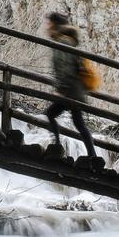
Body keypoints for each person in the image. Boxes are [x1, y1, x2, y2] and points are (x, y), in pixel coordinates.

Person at [44, 12, 97, 160]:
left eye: (48, 24)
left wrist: (61, 90)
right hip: (76, 90)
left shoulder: (62, 42)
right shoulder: (68, 40)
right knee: (79, 123)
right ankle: (92, 155)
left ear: (54, 25)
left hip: (70, 91)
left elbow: (64, 67)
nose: (46, 27)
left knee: (50, 114)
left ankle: (57, 146)